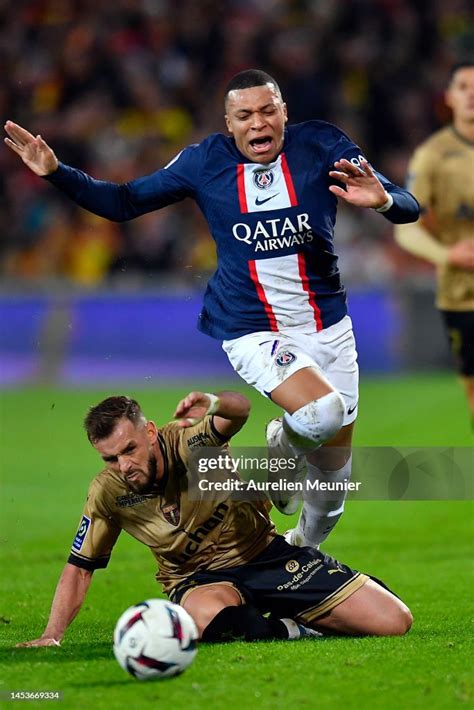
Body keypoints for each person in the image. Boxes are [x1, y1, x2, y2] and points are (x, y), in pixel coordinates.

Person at [4, 69, 419, 548]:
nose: (258, 123)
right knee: (321, 415)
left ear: (285, 113)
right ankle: (280, 454)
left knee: (331, 491)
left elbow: (408, 205)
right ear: (229, 123)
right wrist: (57, 173)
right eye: (245, 115)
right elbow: (123, 202)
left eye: (267, 111)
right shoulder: (205, 162)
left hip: (328, 327)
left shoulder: (324, 145)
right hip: (250, 325)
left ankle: (299, 559)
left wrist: (384, 199)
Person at [17, 390, 412, 647]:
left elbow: (239, 411)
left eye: (129, 450)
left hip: (264, 555)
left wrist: (214, 402)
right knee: (214, 623)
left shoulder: (190, 442)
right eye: (110, 458)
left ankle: (314, 599)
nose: (123, 465)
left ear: (151, 432)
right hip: (199, 580)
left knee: (394, 621)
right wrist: (52, 635)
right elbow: (80, 567)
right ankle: (292, 626)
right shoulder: (108, 493)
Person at [395, 62, 474, 424]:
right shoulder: (433, 155)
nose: (471, 93)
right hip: (463, 294)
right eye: (462, 86)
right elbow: (405, 224)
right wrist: (447, 254)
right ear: (449, 97)